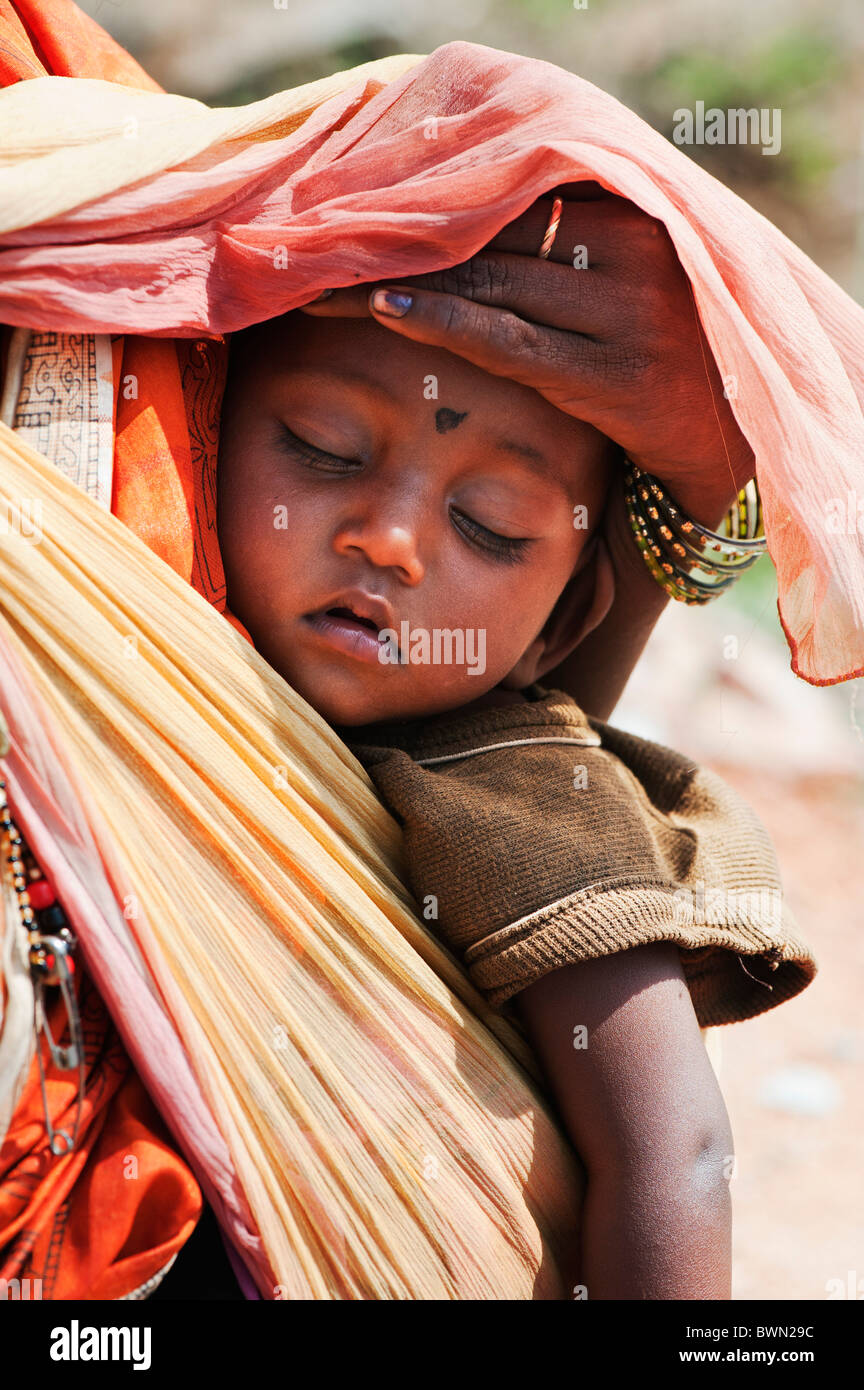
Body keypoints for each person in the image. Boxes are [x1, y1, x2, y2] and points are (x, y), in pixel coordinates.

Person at [215, 269, 816, 1299]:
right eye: (323, 447)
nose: (389, 541)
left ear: (562, 625)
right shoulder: (125, 650)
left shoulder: (513, 784)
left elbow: (674, 1154)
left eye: (490, 523)